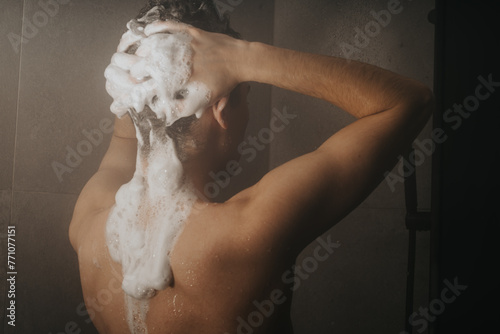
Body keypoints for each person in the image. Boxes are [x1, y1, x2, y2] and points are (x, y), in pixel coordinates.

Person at [69, 1, 434, 333]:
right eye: (246, 94)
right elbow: (408, 102)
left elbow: (126, 136)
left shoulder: (88, 220)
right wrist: (242, 58)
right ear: (223, 109)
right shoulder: (250, 231)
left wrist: (140, 81)